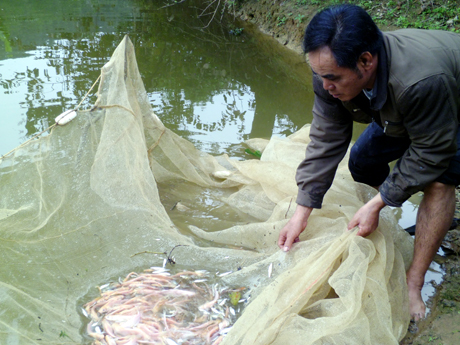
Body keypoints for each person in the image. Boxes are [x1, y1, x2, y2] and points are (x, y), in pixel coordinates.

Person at [277, 4, 460, 321]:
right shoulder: (327, 69)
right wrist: (303, 210)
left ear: (366, 61)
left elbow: (432, 151)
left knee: (439, 180)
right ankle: (408, 216)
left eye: (332, 78)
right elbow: (327, 136)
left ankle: (414, 282)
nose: (325, 86)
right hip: (404, 109)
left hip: (447, 106)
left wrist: (378, 202)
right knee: (361, 162)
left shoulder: (421, 80)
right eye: (320, 76)